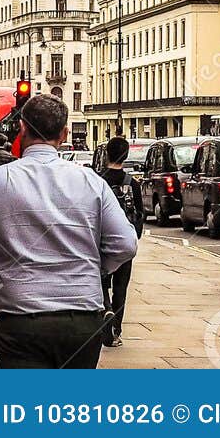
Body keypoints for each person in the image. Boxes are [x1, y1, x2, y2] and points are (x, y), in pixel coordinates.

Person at [0, 92, 137, 369]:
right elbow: (125, 244)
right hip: (82, 321)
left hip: (20, 322)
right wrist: (93, 269)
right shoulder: (91, 181)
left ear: (22, 128)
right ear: (64, 134)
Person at [99, 136, 144, 346]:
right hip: (125, 244)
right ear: (126, 156)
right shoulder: (132, 184)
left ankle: (105, 311)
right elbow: (140, 215)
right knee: (121, 287)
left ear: (107, 153)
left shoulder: (97, 181)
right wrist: (135, 237)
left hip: (100, 242)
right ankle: (116, 329)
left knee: (100, 284)